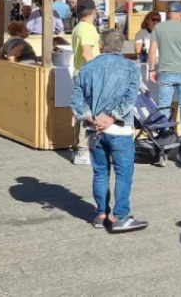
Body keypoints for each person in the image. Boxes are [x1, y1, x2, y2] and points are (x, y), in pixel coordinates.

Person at [70, 29, 148, 233]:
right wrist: (112, 117)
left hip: (95, 128)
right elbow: (130, 98)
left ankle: (101, 214)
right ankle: (120, 216)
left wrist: (91, 118)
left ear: (101, 46)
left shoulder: (86, 68)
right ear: (121, 47)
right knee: (123, 172)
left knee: (100, 172)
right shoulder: (130, 67)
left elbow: (76, 101)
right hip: (119, 128)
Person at [148, 2, 181, 143]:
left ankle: (164, 132)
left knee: (164, 104)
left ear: (168, 13)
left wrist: (151, 68)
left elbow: (152, 50)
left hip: (165, 71)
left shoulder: (158, 27)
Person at [71, 0, 101, 165]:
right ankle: (82, 152)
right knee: (87, 114)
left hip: (80, 73)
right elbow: (87, 53)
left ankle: (81, 149)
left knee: (83, 113)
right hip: (88, 74)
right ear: (94, 11)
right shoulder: (88, 29)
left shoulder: (78, 27)